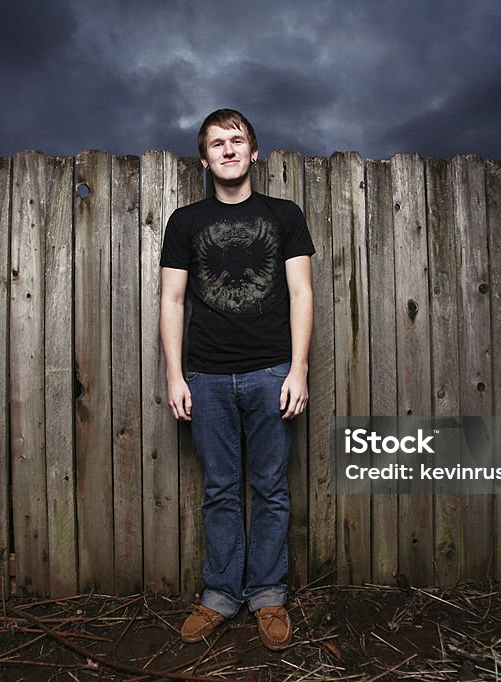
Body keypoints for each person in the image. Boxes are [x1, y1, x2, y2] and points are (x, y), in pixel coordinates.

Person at [159, 109, 315, 651]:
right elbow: (172, 299)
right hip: (205, 376)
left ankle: (268, 597)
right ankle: (221, 596)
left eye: (237, 140)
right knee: (220, 491)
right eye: (217, 144)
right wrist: (175, 375)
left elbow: (301, 293)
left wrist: (298, 369)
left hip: (272, 372)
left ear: (253, 152)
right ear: (204, 159)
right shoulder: (185, 222)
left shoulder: (285, 215)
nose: (227, 150)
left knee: (271, 490)